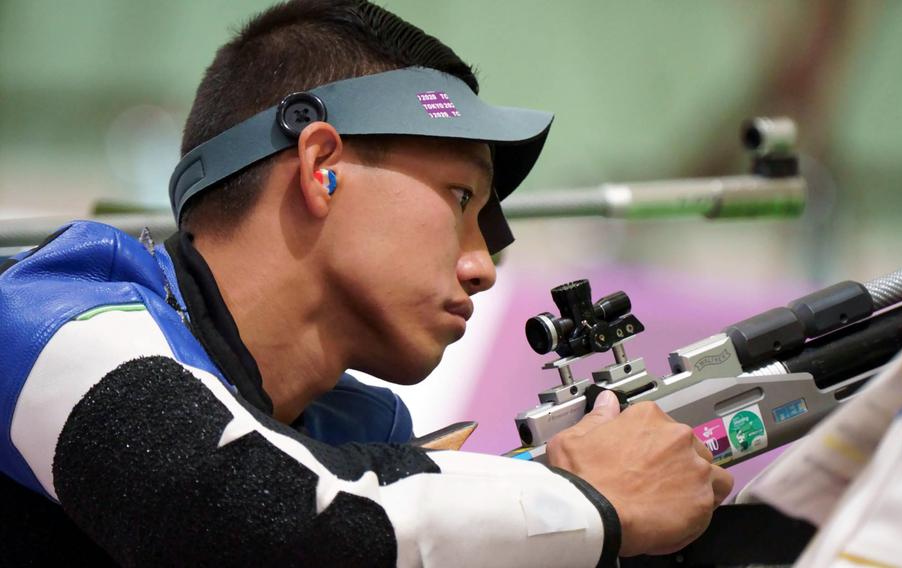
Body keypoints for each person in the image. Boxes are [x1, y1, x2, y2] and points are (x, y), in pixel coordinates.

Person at [0, 1, 732, 565]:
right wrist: (588, 503)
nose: (481, 264)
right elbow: (248, 525)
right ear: (322, 166)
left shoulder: (357, 433)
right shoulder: (54, 314)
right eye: (459, 199)